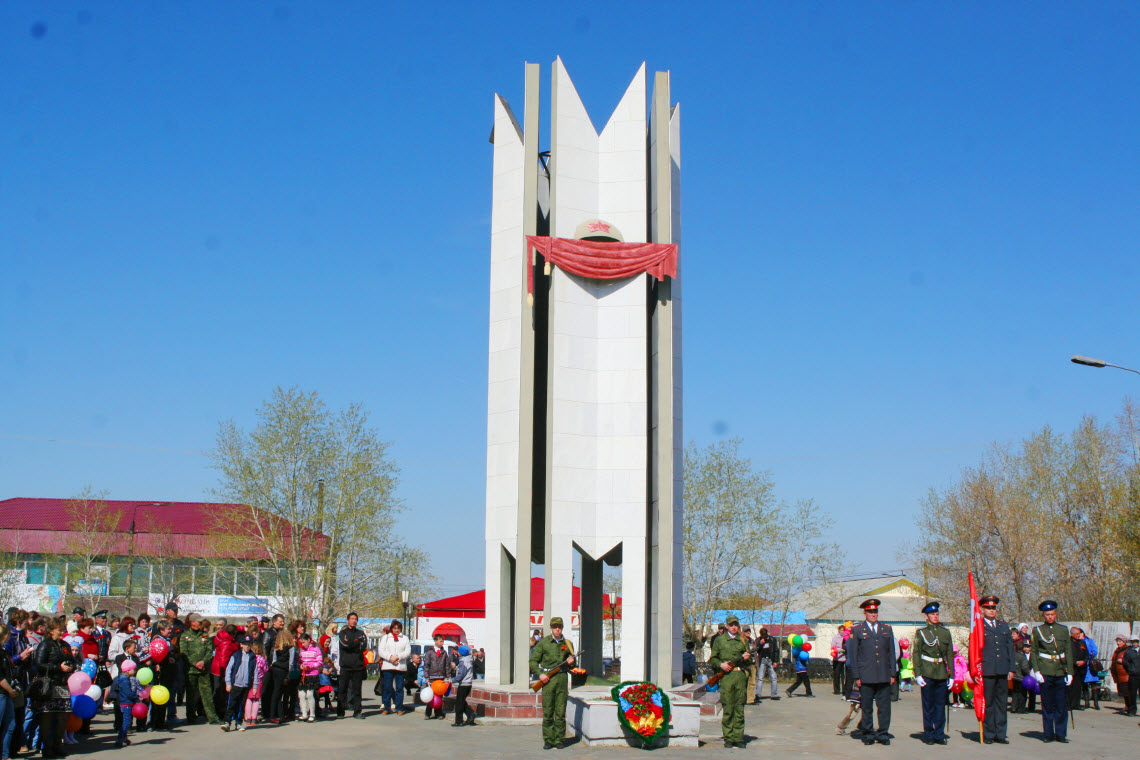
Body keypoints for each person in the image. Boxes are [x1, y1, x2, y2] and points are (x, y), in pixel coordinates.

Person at [849, 598, 898, 746]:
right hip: (866, 675)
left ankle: (883, 733)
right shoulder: (857, 630)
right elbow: (853, 654)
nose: (873, 614)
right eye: (870, 611)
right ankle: (868, 733)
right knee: (867, 707)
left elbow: (891, 653)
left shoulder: (886, 629)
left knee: (884, 707)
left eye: (875, 611)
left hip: (883, 674)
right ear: (865, 613)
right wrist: (856, 675)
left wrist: (892, 673)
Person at [529, 616, 575, 751]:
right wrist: (540, 674)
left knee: (560, 712)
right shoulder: (543, 643)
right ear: (550, 628)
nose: (557, 629)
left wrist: (572, 663)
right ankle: (548, 740)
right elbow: (533, 661)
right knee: (548, 711)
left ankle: (559, 739)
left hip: (561, 678)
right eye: (555, 627)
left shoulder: (568, 644)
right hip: (547, 680)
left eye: (559, 627)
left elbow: (573, 667)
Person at [1029, 599, 1073, 743]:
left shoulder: (1063, 630)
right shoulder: (1038, 630)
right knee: (1047, 706)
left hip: (1060, 671)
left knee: (1061, 705)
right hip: (1045, 670)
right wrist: (1036, 671)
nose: (1050, 617)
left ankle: (1061, 734)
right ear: (1043, 615)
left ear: (1056, 614)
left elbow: (1068, 651)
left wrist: (1070, 672)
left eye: (1052, 614)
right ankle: (1048, 734)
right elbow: (1034, 652)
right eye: (1047, 614)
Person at [973, 594, 1013, 744]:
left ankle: (1001, 734)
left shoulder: (1003, 626)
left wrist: (1011, 668)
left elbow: (1010, 649)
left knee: (1001, 703)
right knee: (988, 703)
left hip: (1002, 669)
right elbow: (974, 650)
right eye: (988, 608)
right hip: (987, 670)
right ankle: (989, 734)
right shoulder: (978, 627)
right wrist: (975, 671)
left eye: (993, 608)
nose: (991, 610)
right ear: (982, 609)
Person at [911, 601, 952, 745]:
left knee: (940, 705)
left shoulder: (945, 632)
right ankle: (929, 734)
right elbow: (916, 653)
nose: (935, 616)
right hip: (927, 671)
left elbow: (949, 655)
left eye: (937, 614)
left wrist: (951, 675)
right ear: (926, 617)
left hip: (941, 672)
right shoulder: (921, 633)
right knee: (928, 706)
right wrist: (918, 673)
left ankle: (939, 734)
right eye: (932, 614)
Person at [32, 619, 73, 758]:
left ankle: (58, 744)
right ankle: (47, 747)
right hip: (49, 685)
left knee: (63, 717)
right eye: (59, 629)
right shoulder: (45, 645)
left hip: (63, 685)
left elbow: (71, 659)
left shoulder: (65, 644)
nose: (62, 632)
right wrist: (58, 667)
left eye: (62, 629)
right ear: (51, 630)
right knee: (47, 718)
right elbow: (39, 664)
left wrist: (70, 666)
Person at [708, 615, 750, 749]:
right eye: (731, 625)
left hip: (739, 676)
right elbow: (713, 659)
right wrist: (721, 665)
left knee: (739, 706)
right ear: (726, 626)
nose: (734, 627)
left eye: (736, 625)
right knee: (728, 707)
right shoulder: (719, 641)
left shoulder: (743, 641)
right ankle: (728, 737)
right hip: (726, 676)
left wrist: (746, 657)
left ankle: (738, 737)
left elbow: (749, 661)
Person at [181, 613, 218, 725]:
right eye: (199, 622)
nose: (201, 624)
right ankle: (191, 717)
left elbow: (209, 651)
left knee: (207, 694)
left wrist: (203, 662)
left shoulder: (205, 636)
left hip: (203, 670)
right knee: (191, 694)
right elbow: (184, 652)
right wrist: (195, 663)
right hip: (191, 670)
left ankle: (212, 717)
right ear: (193, 623)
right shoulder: (185, 636)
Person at [221, 636, 259, 732]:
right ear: (241, 645)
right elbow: (229, 669)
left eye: (249, 645)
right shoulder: (236, 655)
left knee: (242, 705)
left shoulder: (252, 657)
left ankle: (239, 722)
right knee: (232, 703)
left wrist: (255, 686)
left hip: (246, 685)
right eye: (245, 644)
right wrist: (228, 683)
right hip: (235, 684)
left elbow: (255, 672)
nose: (247, 646)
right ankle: (227, 722)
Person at [336, 612, 367, 719]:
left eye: (355, 619)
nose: (354, 621)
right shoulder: (342, 633)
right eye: (352, 618)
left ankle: (357, 711)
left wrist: (352, 643)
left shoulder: (360, 633)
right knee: (342, 690)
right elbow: (345, 645)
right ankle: (340, 712)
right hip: (345, 665)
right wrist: (355, 643)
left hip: (357, 666)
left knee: (357, 690)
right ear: (348, 620)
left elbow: (363, 646)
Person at [376, 620, 410, 715]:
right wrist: (390, 658)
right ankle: (387, 707)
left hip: (400, 666)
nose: (396, 630)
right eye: (395, 628)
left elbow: (407, 651)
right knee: (387, 687)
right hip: (388, 665)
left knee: (399, 688)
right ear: (391, 629)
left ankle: (399, 707)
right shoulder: (386, 638)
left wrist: (398, 657)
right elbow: (381, 651)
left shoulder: (405, 638)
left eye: (398, 628)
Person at [0, 626, 21, 760]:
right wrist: (9, 690)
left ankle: (5, 754)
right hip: (2, 692)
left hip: (7, 692)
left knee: (11, 724)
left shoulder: (4, 651)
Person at [266, 629, 296, 723]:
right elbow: (291, 662)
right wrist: (289, 673)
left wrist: (275, 666)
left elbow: (274, 659)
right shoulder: (291, 647)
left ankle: (280, 714)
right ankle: (272, 715)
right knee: (278, 692)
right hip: (284, 670)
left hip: (276, 669)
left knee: (277, 692)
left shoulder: (277, 647)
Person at [210, 622, 238, 720]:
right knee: (221, 693)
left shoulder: (220, 637)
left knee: (218, 691)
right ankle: (221, 713)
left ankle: (219, 711)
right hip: (222, 670)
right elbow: (224, 660)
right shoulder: (227, 643)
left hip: (216, 667)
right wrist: (227, 673)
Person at [111, 653, 138, 748]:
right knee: (126, 722)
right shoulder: (125, 680)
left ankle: (125, 738)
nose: (135, 671)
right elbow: (128, 693)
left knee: (125, 721)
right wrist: (137, 697)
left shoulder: (124, 678)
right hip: (126, 703)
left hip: (126, 703)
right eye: (133, 669)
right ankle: (119, 739)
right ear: (128, 670)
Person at [422, 634, 452, 720]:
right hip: (432, 677)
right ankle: (428, 713)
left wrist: (447, 677)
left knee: (439, 696)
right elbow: (426, 665)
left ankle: (438, 713)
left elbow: (447, 665)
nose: (441, 643)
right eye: (440, 641)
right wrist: (427, 677)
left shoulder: (444, 653)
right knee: (430, 695)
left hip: (441, 677)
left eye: (442, 641)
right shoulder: (430, 652)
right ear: (435, 641)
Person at [296, 633, 322, 722]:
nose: (302, 644)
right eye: (301, 643)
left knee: (310, 694)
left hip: (312, 675)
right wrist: (300, 666)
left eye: (303, 642)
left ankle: (312, 714)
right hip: (303, 675)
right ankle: (304, 714)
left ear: (308, 640)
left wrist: (310, 666)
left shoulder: (316, 649)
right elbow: (299, 661)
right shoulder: (301, 650)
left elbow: (319, 662)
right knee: (301, 694)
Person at [244, 641, 269, 728]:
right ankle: (254, 718)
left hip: (249, 679)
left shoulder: (249, 657)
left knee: (249, 698)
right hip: (258, 680)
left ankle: (248, 717)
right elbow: (266, 669)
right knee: (256, 699)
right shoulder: (261, 659)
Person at [451, 644, 477, 727]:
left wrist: (452, 680)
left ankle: (459, 721)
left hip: (463, 684)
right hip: (468, 684)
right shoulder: (468, 659)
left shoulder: (463, 662)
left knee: (459, 703)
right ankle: (470, 714)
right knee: (461, 701)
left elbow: (460, 675)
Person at [752, 628, 780, 702]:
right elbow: (756, 650)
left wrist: (776, 661)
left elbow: (776, 650)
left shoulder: (772, 640)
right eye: (762, 635)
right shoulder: (758, 640)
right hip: (762, 660)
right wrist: (760, 644)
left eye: (765, 635)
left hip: (771, 659)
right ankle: (758, 695)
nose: (764, 637)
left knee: (773, 677)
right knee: (760, 678)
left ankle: (774, 694)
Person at [1110, 634, 1133, 715]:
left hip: (1125, 675)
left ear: (1124, 642)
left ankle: (1130, 707)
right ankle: (1127, 705)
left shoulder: (1128, 650)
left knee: (1127, 692)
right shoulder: (1117, 650)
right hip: (1118, 675)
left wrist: (1122, 662)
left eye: (1120, 641)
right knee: (1123, 692)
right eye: (1117, 641)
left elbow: (1131, 662)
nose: (1118, 643)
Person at [1068, 626, 1089, 711]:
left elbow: (1087, 655)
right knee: (1070, 687)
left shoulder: (1082, 643)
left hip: (1081, 669)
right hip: (1072, 668)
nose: (1078, 635)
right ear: (1072, 634)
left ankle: (1076, 704)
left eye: (1079, 634)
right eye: (1077, 634)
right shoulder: (1068, 643)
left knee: (1078, 687)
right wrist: (1074, 662)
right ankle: (1068, 704)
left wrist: (1084, 661)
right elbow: (1066, 656)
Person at [1011, 641, 1034, 714]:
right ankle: (1021, 709)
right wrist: (1028, 675)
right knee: (1022, 694)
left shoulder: (1013, 655)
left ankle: (1013, 707)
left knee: (1015, 693)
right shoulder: (1023, 657)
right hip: (1021, 678)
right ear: (1023, 648)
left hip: (1014, 677)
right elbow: (1024, 669)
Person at [829, 624, 847, 695]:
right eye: (841, 630)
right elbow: (833, 647)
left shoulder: (846, 638)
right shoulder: (835, 638)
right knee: (836, 675)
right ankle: (836, 690)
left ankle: (844, 690)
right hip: (837, 659)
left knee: (844, 675)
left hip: (844, 659)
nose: (842, 632)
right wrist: (840, 650)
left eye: (843, 630)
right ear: (839, 630)